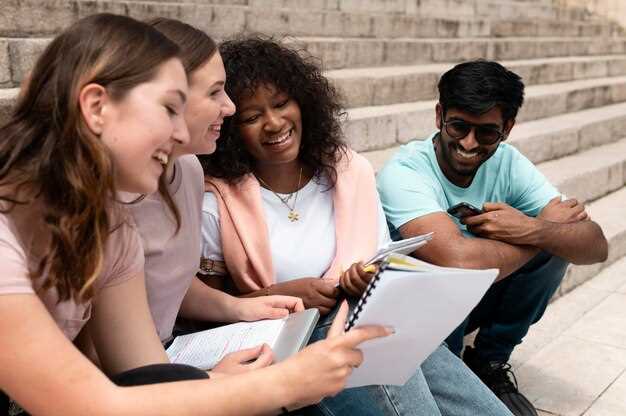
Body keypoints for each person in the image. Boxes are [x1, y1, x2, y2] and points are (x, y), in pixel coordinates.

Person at [0, 14, 390, 416]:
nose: (182, 135)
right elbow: (86, 403)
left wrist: (220, 382)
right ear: (97, 106)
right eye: (171, 108)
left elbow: (142, 370)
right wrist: (281, 385)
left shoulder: (111, 222)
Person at [200, 37, 513, 416]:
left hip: (372, 320)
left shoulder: (349, 171)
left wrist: (366, 278)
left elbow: (384, 262)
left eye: (282, 103)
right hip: (297, 345)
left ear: (304, 101)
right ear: (232, 127)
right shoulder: (217, 200)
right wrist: (277, 294)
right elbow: (199, 318)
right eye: (252, 117)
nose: (274, 123)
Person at [376, 60, 609, 416]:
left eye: (486, 133)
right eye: (458, 126)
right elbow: (455, 260)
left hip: (474, 296)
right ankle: (449, 364)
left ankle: (488, 364)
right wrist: (539, 234)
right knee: (450, 262)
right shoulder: (406, 171)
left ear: (508, 128)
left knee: (559, 246)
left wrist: (535, 229)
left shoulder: (509, 164)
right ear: (439, 116)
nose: (469, 143)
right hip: (415, 310)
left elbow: (596, 245)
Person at [124, 19, 307, 377]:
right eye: (214, 93)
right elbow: (110, 360)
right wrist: (210, 382)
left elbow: (166, 282)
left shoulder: (189, 171)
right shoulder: (110, 200)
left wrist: (242, 309)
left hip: (164, 356)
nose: (231, 107)